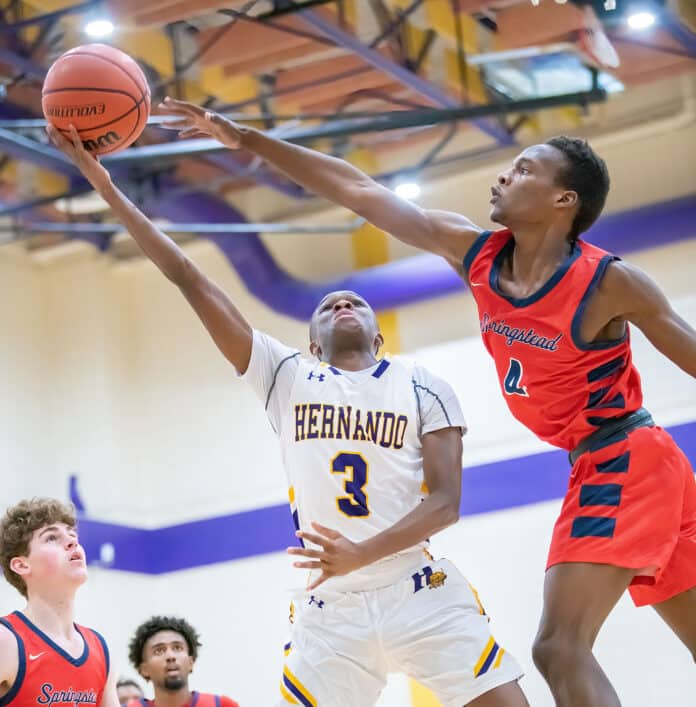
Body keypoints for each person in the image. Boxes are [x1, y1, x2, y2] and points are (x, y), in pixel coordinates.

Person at [153, 98, 696, 706]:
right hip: (612, 461)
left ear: (563, 200)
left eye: (521, 170)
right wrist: (248, 138)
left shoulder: (608, 282)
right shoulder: (478, 255)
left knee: (558, 648)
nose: (502, 177)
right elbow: (357, 190)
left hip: (624, 455)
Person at [48, 123, 529, 707]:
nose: (344, 303)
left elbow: (446, 503)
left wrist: (362, 552)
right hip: (331, 608)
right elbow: (185, 274)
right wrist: (102, 180)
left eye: (356, 302)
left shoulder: (422, 383)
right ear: (313, 345)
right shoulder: (286, 375)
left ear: (379, 337)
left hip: (414, 585)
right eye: (329, 305)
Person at [0, 498, 119, 707]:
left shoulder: (99, 648)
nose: (72, 542)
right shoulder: (6, 640)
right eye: (52, 538)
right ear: (21, 565)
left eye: (72, 535)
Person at [126, 616, 239, 707]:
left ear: (191, 661)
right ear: (144, 669)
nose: (170, 656)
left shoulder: (222, 705)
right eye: (159, 651)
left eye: (177, 648)